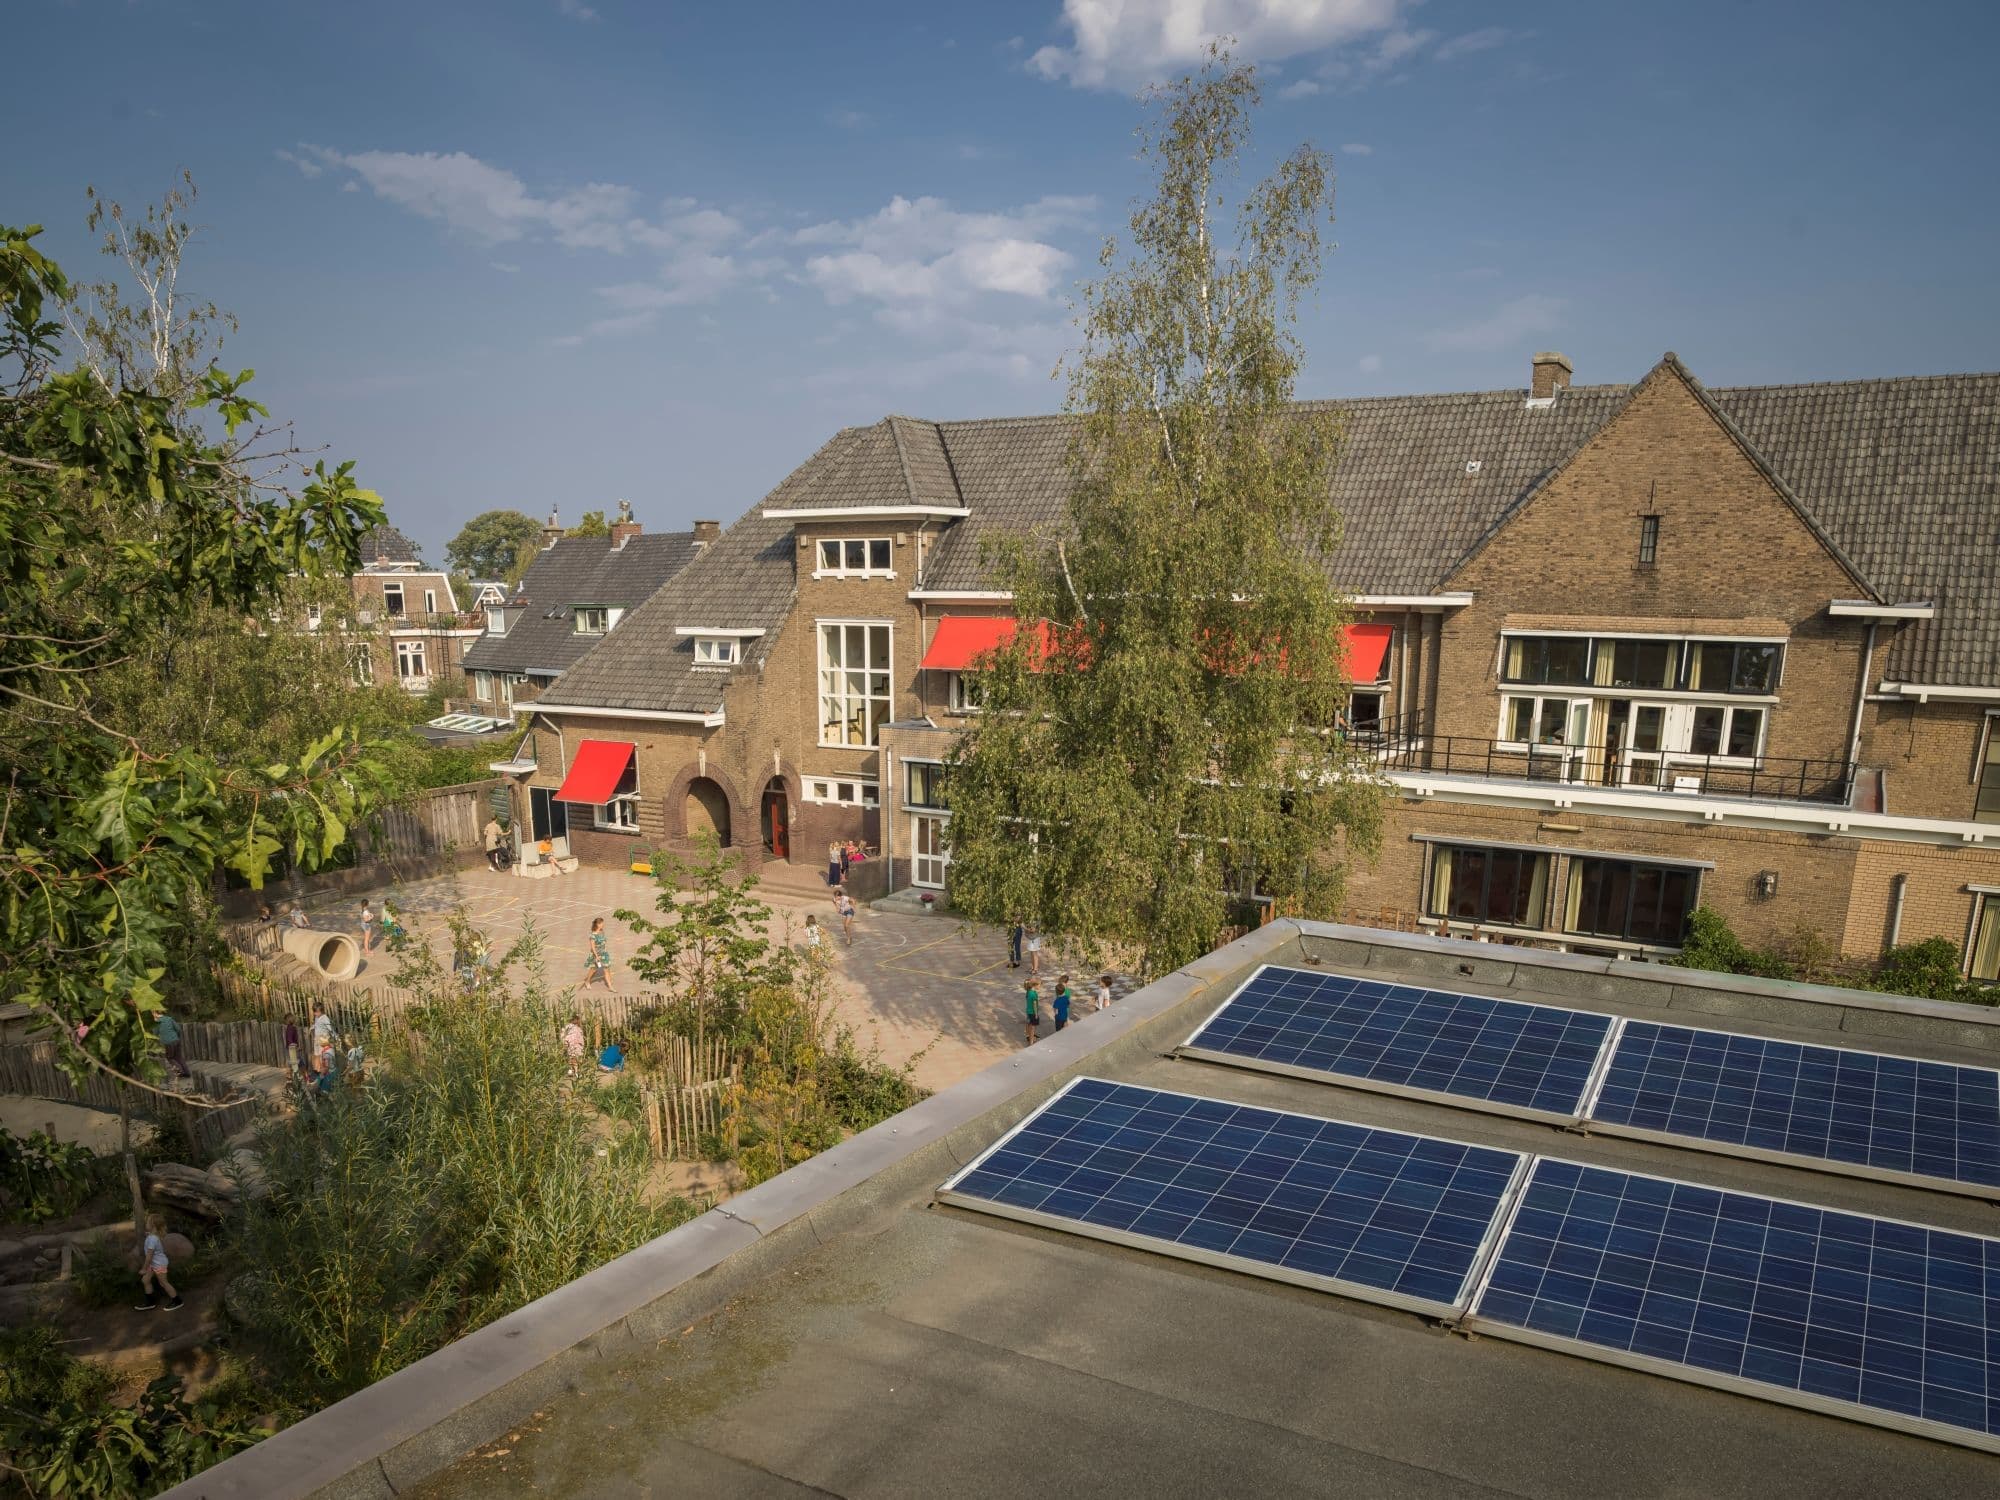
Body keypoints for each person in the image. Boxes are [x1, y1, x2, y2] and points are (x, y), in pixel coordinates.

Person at [135, 1214, 182, 1311]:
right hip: (153, 1264)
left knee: (163, 1283)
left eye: (147, 1222)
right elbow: (150, 1237)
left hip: (158, 1264)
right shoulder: (152, 1236)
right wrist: (148, 1234)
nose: (146, 1224)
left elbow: (149, 1257)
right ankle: (150, 1302)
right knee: (145, 1280)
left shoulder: (153, 1239)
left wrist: (144, 1269)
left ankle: (177, 1301)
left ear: (152, 1225)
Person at [156, 1009, 189, 1079]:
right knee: (179, 1057)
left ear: (155, 1013)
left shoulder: (156, 1022)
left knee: (170, 1058)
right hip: (176, 1040)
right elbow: (178, 1029)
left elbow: (155, 1033)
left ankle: (181, 1071)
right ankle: (187, 1072)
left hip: (168, 1043)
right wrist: (176, 1037)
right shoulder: (169, 1019)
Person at [583, 917, 613, 989]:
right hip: (596, 955)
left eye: (603, 923)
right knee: (594, 969)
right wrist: (596, 956)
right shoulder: (593, 935)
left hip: (604, 954)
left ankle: (610, 986)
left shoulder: (602, 932)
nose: (603, 925)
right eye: (601, 923)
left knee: (606, 968)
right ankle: (587, 981)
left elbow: (604, 942)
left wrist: (605, 950)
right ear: (597, 924)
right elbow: (593, 947)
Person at [561, 1014, 586, 1078]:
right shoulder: (572, 1027)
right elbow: (564, 1035)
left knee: (572, 1058)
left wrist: (565, 1043)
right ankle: (575, 1072)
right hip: (574, 1045)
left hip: (574, 1045)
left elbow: (563, 1036)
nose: (578, 1021)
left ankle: (572, 1071)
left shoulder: (575, 1027)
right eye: (578, 1019)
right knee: (575, 1058)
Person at [1022, 979, 1039, 1046]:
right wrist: (1036, 1014)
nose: (1039, 987)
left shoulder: (1028, 992)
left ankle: (1028, 1036)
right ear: (1034, 985)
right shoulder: (1033, 994)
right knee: (1032, 1028)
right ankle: (1031, 1042)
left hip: (1028, 1011)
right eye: (1039, 985)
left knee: (1029, 1024)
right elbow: (1034, 1004)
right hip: (1033, 1013)